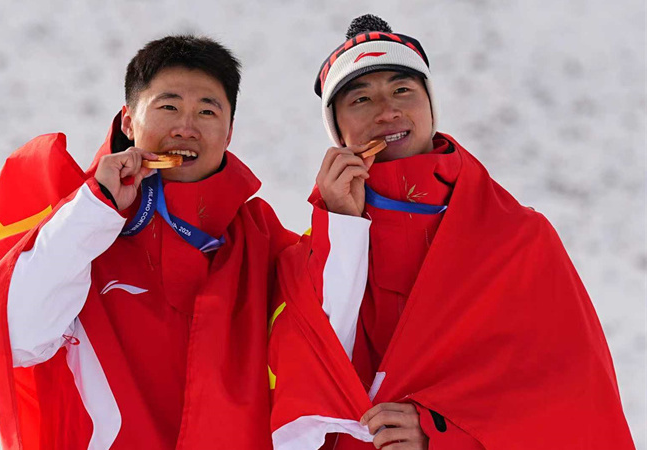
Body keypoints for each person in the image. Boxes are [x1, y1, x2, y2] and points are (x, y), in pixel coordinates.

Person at [267, 15, 635, 450]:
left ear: (430, 106)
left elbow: (571, 391)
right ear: (338, 130)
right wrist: (342, 226)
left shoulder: (520, 237)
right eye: (360, 99)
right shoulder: (308, 254)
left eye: (403, 90)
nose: (387, 111)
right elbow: (310, 376)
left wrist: (443, 430)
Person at [0, 35, 319, 449]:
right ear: (128, 122)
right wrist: (97, 209)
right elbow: (14, 339)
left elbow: (331, 349)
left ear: (229, 132)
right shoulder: (69, 217)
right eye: (168, 107)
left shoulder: (266, 245)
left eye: (207, 111)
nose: (186, 128)